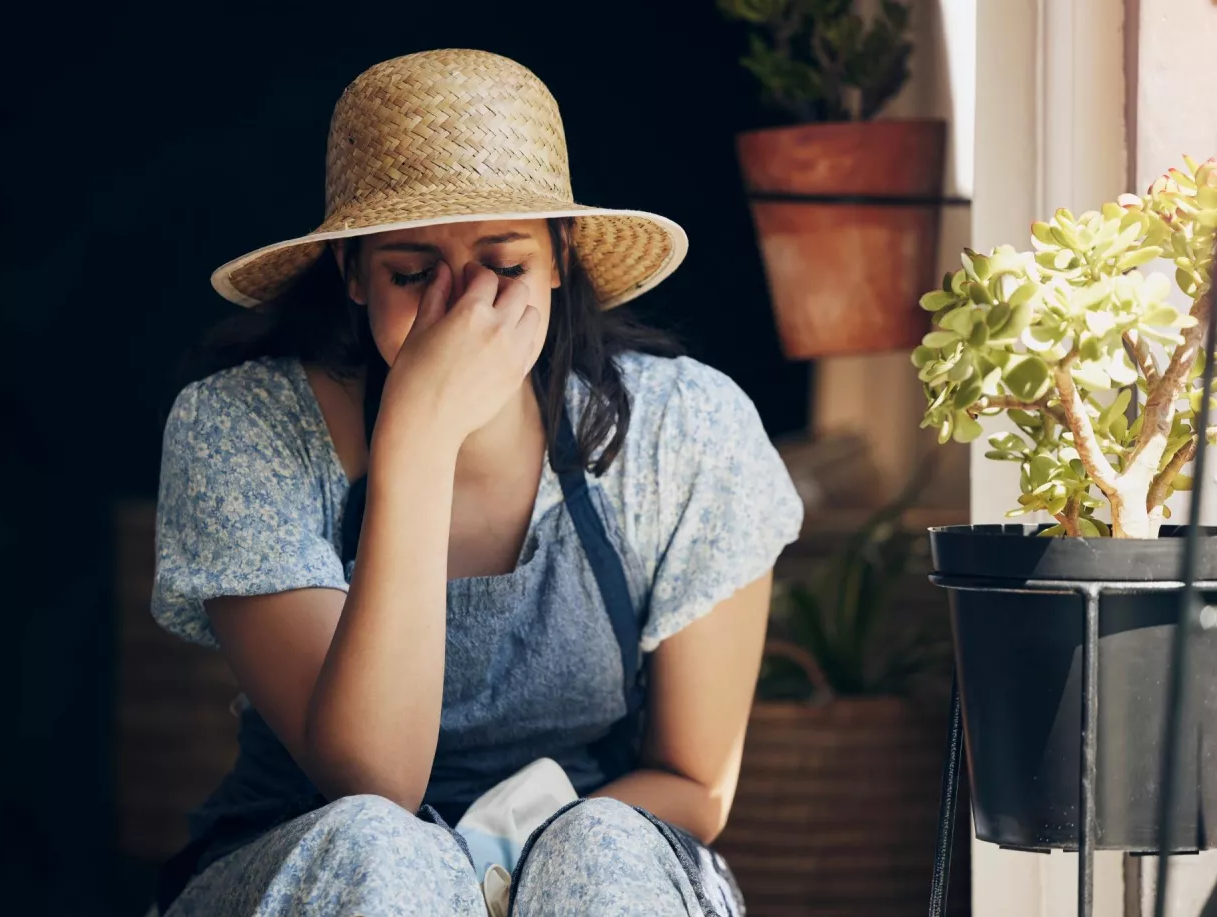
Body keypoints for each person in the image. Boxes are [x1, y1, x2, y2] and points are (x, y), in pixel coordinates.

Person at [151, 48, 802, 917]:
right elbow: (371, 780)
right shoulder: (244, 430)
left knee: (600, 847)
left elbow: (694, 782)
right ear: (350, 272)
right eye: (412, 274)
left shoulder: (686, 431)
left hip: (591, 856)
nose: (462, 314)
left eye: (504, 265)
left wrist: (513, 871)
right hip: (320, 860)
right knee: (375, 846)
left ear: (562, 254)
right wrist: (420, 435)